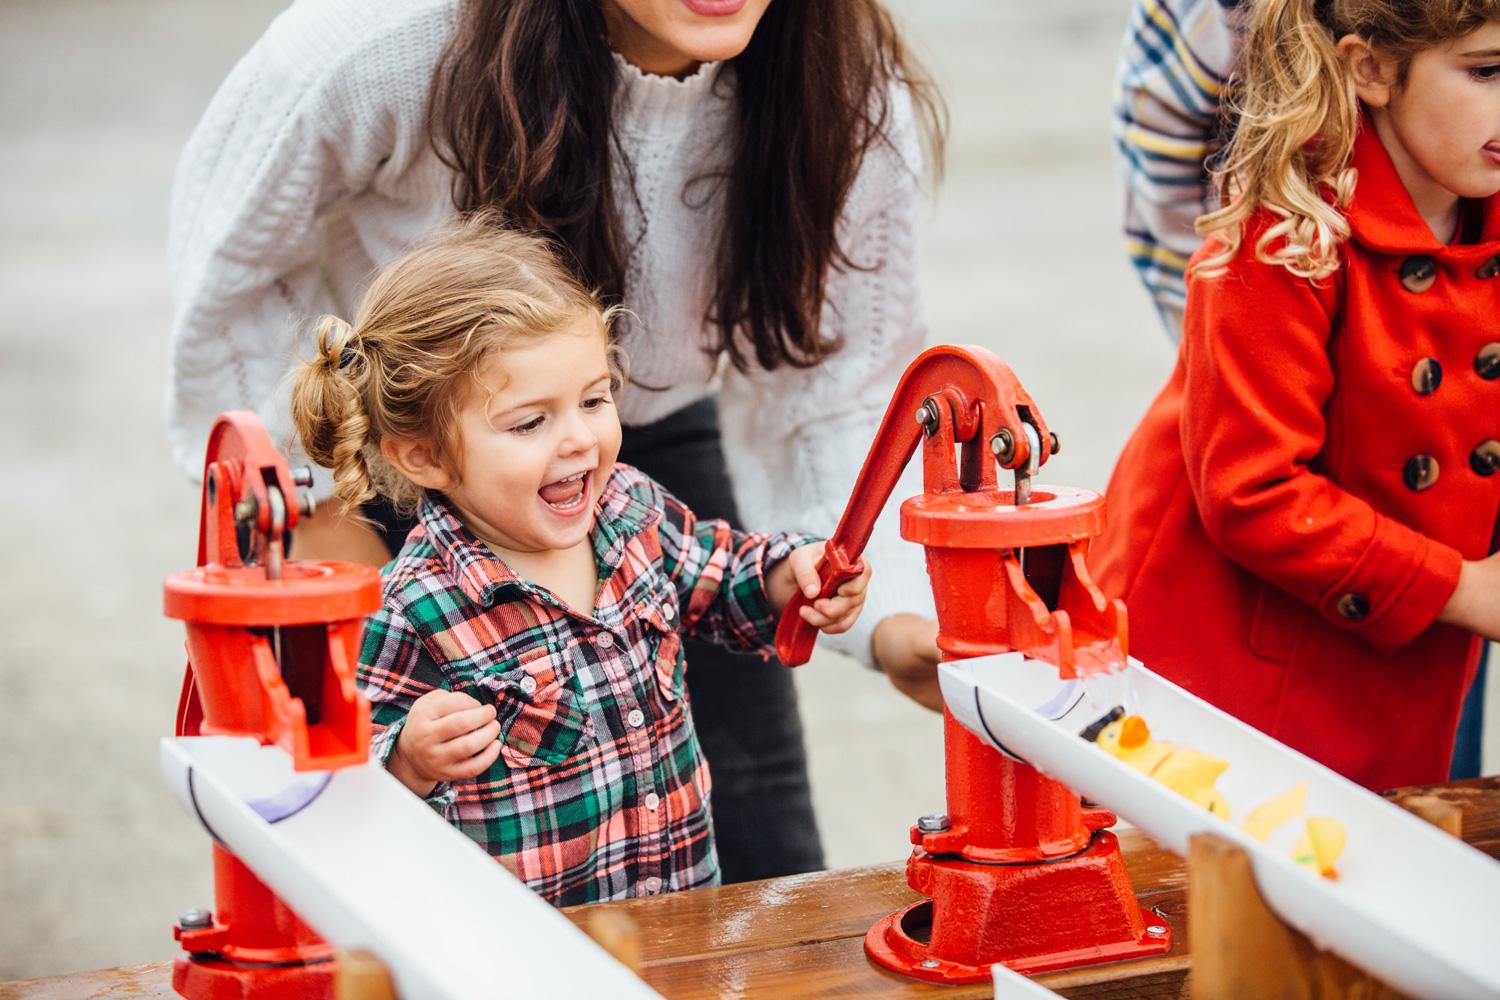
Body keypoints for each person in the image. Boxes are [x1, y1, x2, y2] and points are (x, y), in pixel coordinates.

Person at [166, 0, 948, 882]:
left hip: (643, 429)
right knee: (397, 861)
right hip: (403, 443)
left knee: (765, 841)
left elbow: (836, 392)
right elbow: (227, 274)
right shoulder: (383, 41)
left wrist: (880, 612)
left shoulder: (829, 71)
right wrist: (313, 506)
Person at [290, 218, 872, 905]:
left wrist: (790, 576)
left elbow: (722, 577)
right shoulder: (414, 605)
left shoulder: (631, 512)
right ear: (425, 455)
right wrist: (410, 759)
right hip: (525, 952)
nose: (579, 440)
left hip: (680, 913)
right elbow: (344, 785)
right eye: (529, 422)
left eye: (594, 400)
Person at [1092, 0, 1500, 792]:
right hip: (1229, 673)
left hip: (1398, 667)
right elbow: (1253, 490)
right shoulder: (1282, 231)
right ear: (1371, 68)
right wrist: (1466, 589)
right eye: (1487, 71)